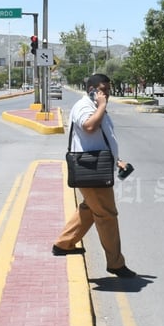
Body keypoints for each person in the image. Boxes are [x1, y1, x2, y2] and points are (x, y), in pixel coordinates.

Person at [52, 73, 136, 278]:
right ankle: (115, 263)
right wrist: (101, 106)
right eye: (102, 89)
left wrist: (117, 160)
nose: (106, 93)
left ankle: (64, 243)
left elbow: (100, 139)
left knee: (90, 209)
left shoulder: (96, 107)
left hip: (98, 167)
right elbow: (89, 127)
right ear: (91, 89)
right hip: (90, 169)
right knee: (107, 215)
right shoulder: (85, 106)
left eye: (107, 89)